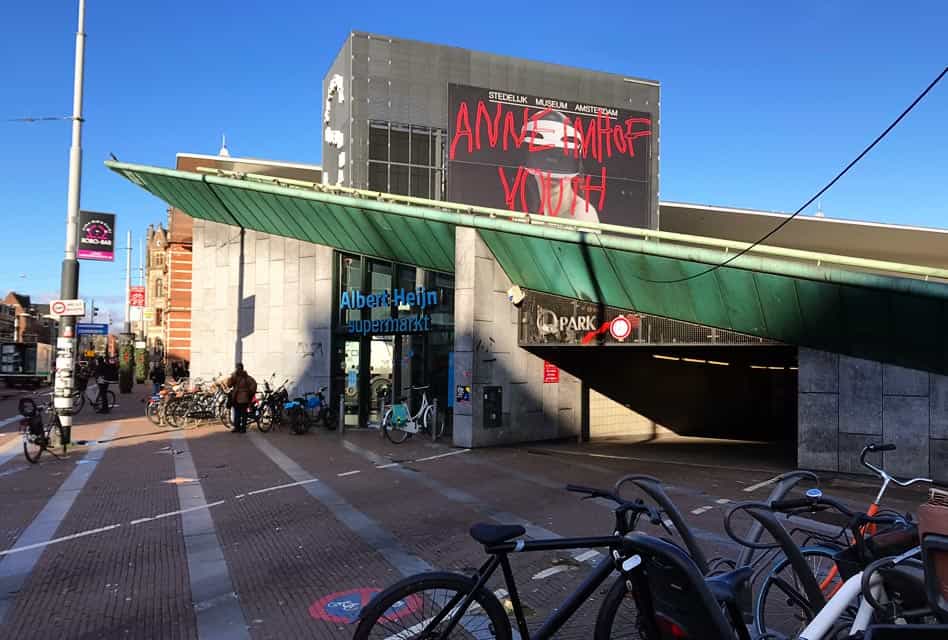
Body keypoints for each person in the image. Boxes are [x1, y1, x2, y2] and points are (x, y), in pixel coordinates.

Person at [226, 363, 256, 434]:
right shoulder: (235, 376)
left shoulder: (246, 377)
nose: (238, 369)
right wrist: (231, 377)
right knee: (237, 414)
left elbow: (253, 384)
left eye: (239, 368)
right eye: (237, 368)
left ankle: (243, 428)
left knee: (243, 414)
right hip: (236, 398)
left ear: (242, 369)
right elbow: (229, 384)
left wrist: (250, 392)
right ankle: (237, 427)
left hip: (244, 398)